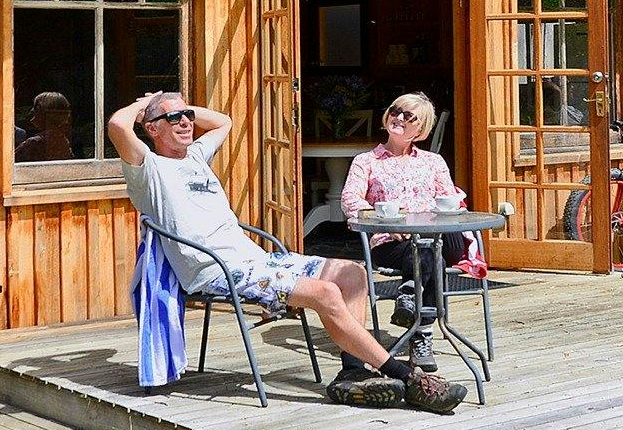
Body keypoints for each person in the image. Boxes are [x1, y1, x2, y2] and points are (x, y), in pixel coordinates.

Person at [111, 90, 465, 413]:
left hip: (257, 260)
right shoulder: (148, 169)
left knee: (352, 272)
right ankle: (406, 377)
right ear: (152, 129)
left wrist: (175, 107)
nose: (186, 122)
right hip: (219, 270)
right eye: (173, 119)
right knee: (325, 293)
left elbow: (223, 121)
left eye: (187, 116)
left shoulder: (196, 157)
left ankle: (352, 374)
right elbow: (116, 124)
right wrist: (146, 105)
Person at [339, 93, 483, 361]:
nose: (398, 117)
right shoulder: (366, 161)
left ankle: (408, 296)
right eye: (395, 110)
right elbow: (350, 202)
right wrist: (386, 222)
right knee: (429, 255)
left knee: (429, 249)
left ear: (422, 128)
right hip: (389, 243)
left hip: (431, 238)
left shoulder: (433, 162)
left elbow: (449, 201)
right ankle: (423, 336)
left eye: (408, 116)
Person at [14, 90, 75, 162]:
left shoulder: (35, 143)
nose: (32, 111)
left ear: (42, 112)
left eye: (36, 107)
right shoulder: (63, 141)